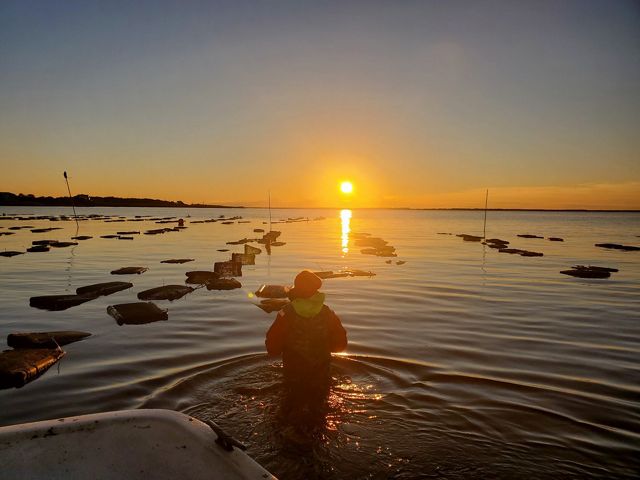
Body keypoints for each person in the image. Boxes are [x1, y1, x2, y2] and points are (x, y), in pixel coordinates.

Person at [265, 270, 347, 393]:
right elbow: (340, 345)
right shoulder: (328, 313)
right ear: (316, 291)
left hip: (293, 374)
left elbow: (273, 348)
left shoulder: (285, 313)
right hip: (321, 375)